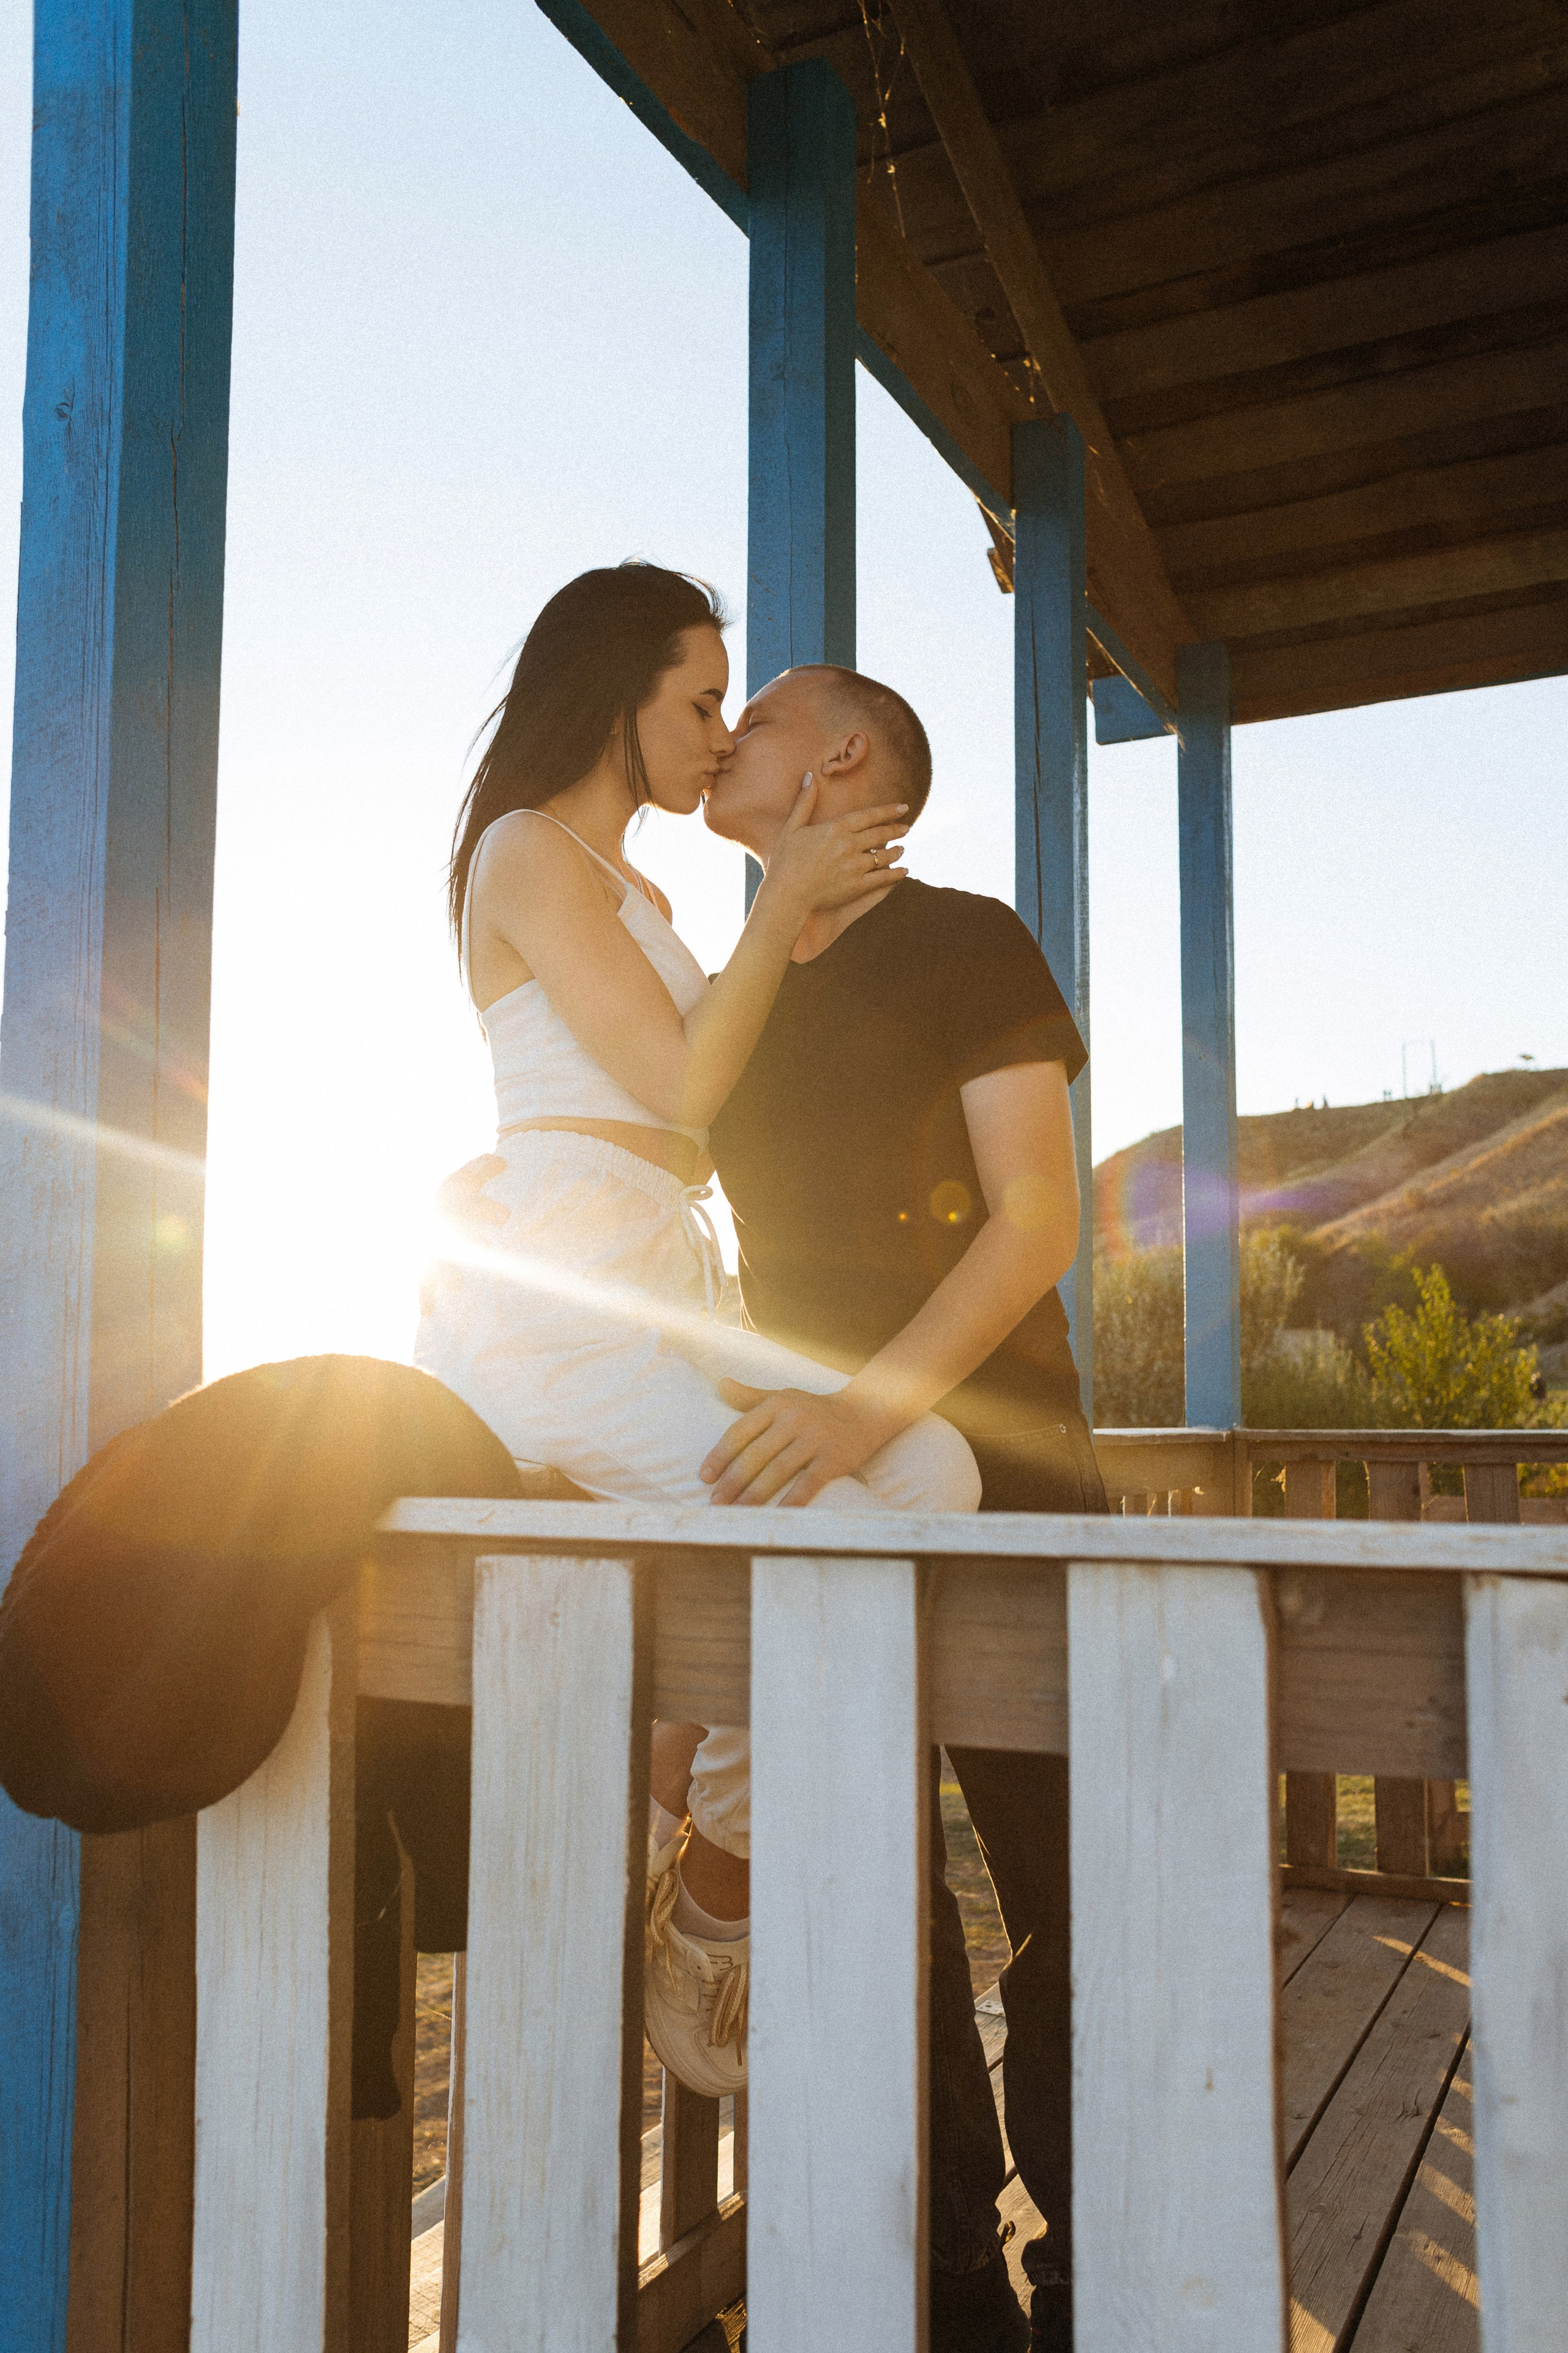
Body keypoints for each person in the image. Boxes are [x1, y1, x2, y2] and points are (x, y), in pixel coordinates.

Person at [445, 652, 1104, 2353]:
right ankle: (948, 2268)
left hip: (991, 1462)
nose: (728, 730)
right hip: (800, 1472)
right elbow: (633, 1145)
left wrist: (854, 1411)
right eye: (710, 699)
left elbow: (1034, 1219)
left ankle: (1095, 2274)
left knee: (1059, 1889)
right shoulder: (735, 987)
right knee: (867, 1878)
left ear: (851, 759)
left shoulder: (967, 941)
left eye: (770, 706)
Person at [413, 561, 985, 2119]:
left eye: (729, 701)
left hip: (664, 1280)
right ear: (614, 693)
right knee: (841, 1530)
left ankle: (701, 1817)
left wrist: (827, 907)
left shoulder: (650, 894)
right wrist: (790, 889)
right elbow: (674, 1093)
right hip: (561, 1298)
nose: (717, 731)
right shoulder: (528, 852)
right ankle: (719, 1905)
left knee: (927, 1451)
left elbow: (709, 1100)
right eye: (696, 697)